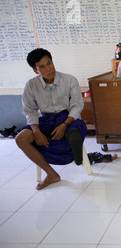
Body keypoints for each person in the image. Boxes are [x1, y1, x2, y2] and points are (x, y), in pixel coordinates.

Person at [15, 48, 87, 190]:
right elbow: (30, 110)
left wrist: (65, 124)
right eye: (42, 66)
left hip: (68, 117)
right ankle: (51, 174)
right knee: (20, 139)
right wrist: (36, 131)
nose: (49, 69)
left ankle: (73, 139)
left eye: (49, 63)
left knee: (76, 128)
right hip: (46, 120)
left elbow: (77, 105)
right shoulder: (31, 85)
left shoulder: (69, 80)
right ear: (35, 70)